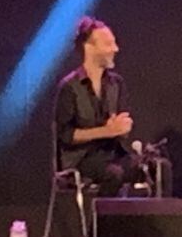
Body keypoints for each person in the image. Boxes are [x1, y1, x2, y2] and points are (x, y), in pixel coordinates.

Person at [54, 17, 140, 196]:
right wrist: (106, 131)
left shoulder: (116, 83)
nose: (115, 49)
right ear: (89, 47)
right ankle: (101, 223)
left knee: (157, 168)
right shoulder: (70, 87)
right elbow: (66, 135)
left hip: (113, 153)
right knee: (113, 174)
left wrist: (123, 127)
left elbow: (123, 124)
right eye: (108, 44)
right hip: (82, 158)